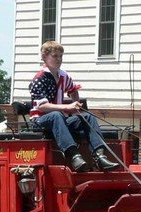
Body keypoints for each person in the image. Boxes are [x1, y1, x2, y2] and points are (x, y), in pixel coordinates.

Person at [29, 40, 119, 172]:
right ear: (44, 56)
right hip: (40, 121)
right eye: (55, 56)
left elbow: (73, 90)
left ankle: (100, 156)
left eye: (60, 56)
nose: (59, 59)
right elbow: (42, 107)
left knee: (87, 117)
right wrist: (67, 108)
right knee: (56, 115)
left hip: (59, 119)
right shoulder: (39, 78)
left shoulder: (63, 75)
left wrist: (75, 107)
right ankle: (74, 156)